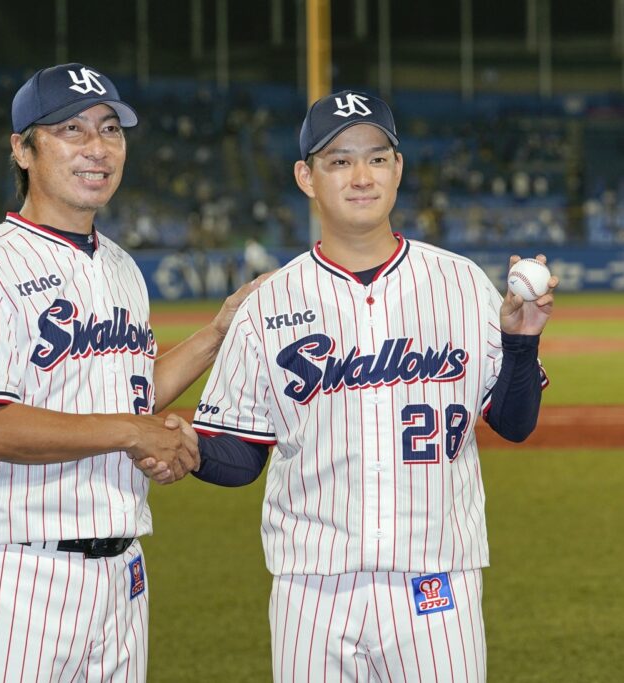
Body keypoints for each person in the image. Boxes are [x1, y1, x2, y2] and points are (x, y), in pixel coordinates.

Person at [178, 90, 558, 681]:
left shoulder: (461, 284)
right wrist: (181, 445)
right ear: (306, 176)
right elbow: (241, 456)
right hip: (311, 589)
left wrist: (521, 340)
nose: (361, 175)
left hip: (437, 582)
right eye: (339, 160)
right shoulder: (267, 303)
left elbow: (514, 422)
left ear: (398, 168)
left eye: (377, 158)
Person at [0, 63, 260, 682]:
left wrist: (217, 333)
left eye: (110, 130)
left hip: (122, 576)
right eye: (70, 130)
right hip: (16, 581)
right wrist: (133, 434)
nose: (97, 148)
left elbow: (127, 395)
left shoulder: (123, 268)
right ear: (22, 149)